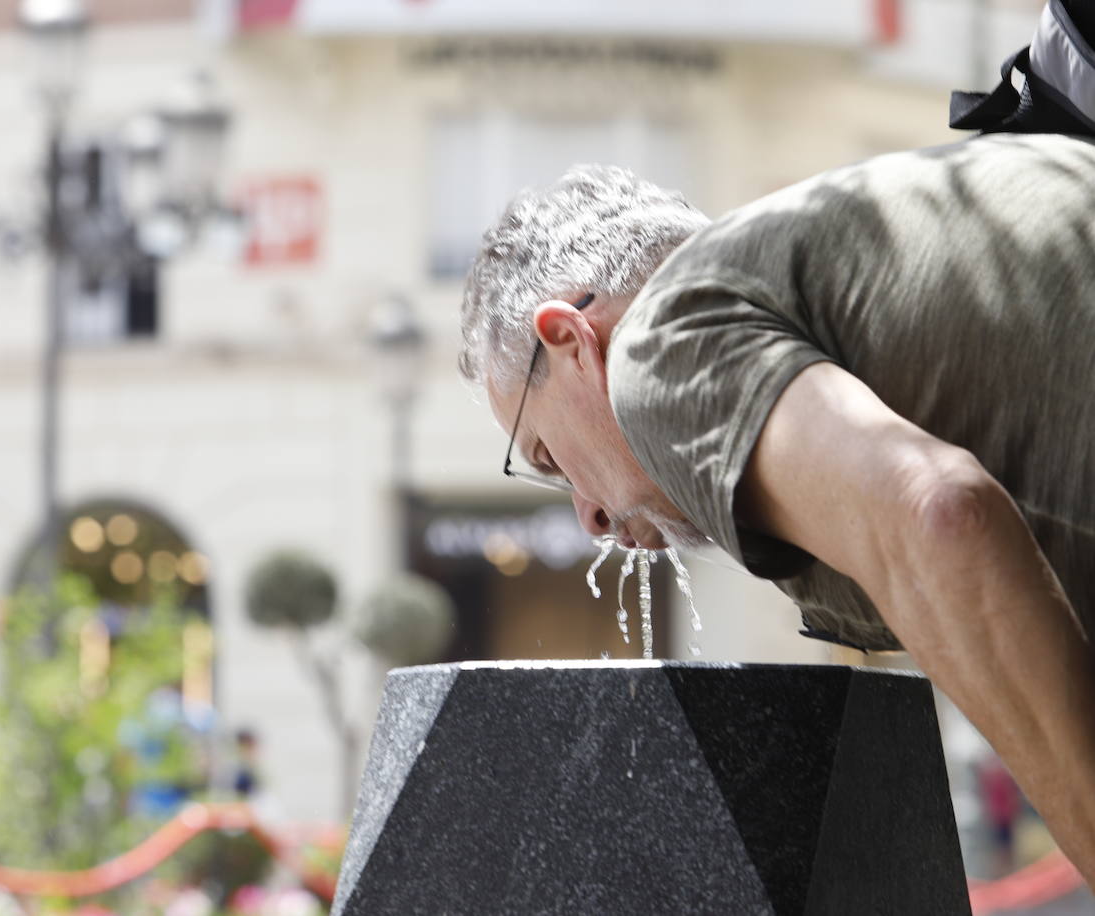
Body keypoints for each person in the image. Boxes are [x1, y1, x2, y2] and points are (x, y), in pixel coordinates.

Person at [457, 134, 1095, 884]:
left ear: (570, 341)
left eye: (549, 458)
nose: (588, 517)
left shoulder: (656, 348)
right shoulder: (801, 272)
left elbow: (941, 514)